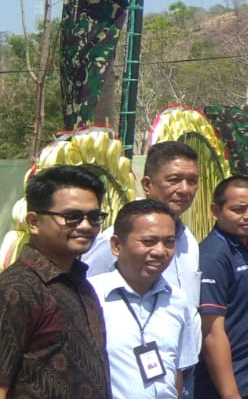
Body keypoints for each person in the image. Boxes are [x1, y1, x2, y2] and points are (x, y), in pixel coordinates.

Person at [0, 165, 110, 399]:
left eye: (94, 217)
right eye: (72, 217)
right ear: (33, 222)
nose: (86, 226)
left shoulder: (81, 285)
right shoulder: (16, 289)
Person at [90, 199, 201, 399]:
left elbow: (177, 371)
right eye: (148, 241)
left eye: (169, 242)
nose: (160, 251)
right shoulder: (90, 298)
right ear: (116, 245)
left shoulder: (177, 301)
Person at [85, 141, 202, 297]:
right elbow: (87, 293)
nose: (184, 189)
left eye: (192, 181)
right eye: (174, 180)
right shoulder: (119, 237)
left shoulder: (189, 241)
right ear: (147, 185)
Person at [194, 176, 248, 399]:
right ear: (215, 211)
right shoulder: (214, 256)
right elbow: (211, 332)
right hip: (234, 387)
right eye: (239, 209)